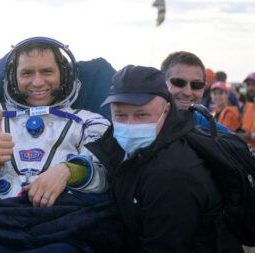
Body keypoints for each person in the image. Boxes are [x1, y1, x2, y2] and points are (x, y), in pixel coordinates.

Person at [85, 65, 242, 252]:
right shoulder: (132, 149)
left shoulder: (173, 174)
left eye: (141, 115)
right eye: (120, 115)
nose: (129, 125)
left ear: (166, 111)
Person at [0, 37, 109, 206]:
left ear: (64, 75)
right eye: (27, 73)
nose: (37, 82)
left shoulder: (89, 123)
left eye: (47, 71)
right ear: (12, 76)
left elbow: (106, 177)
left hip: (63, 218)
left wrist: (69, 171)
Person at [160, 51, 231, 132]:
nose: (188, 92)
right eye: (179, 83)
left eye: (196, 85)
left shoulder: (208, 127)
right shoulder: (146, 121)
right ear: (161, 82)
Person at [237, 72, 255, 148]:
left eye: (254, 84)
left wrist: (250, 135)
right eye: (248, 85)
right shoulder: (247, 105)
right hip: (247, 152)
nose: (251, 88)